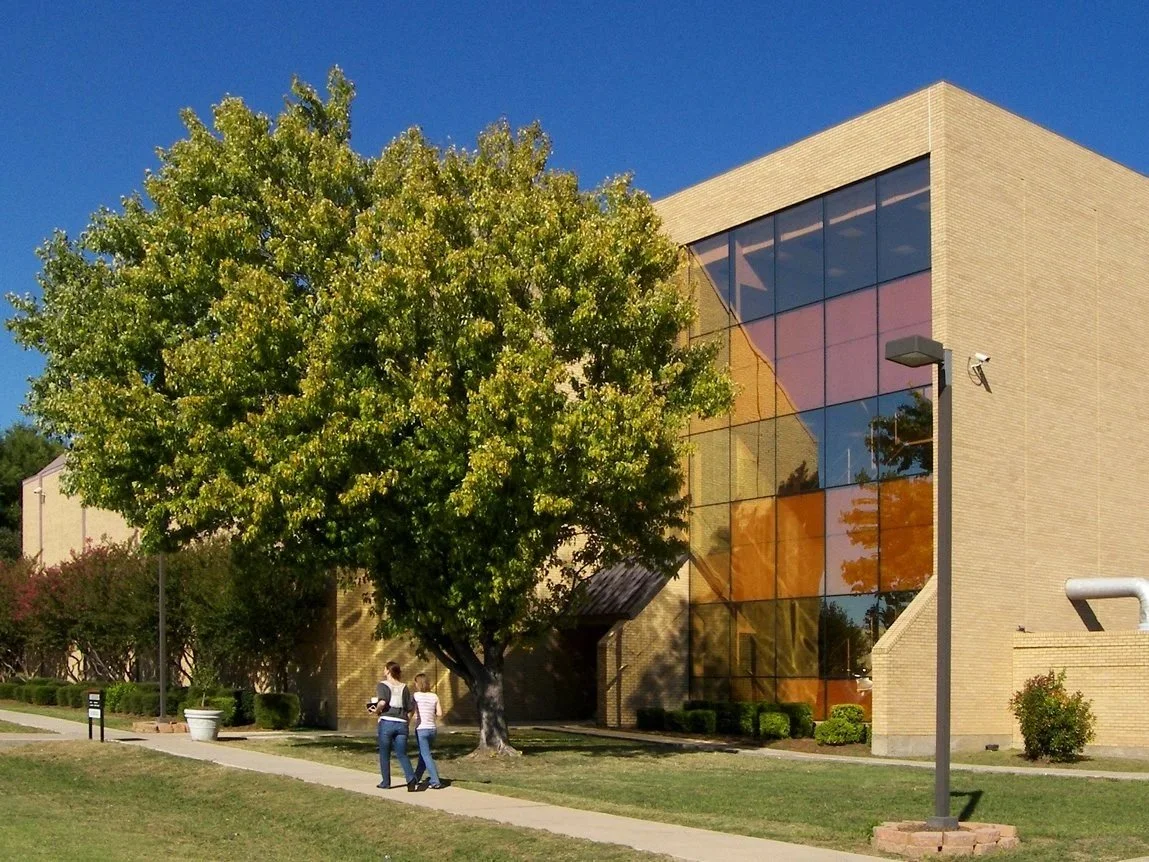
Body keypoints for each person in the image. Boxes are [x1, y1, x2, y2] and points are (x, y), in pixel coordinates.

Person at [371, 661, 416, 790]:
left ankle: (386, 782)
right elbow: (410, 708)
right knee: (402, 753)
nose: (383, 671)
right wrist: (407, 721)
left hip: (387, 721)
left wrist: (376, 711)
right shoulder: (404, 687)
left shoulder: (383, 685)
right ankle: (411, 779)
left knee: (385, 753)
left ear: (388, 671)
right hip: (402, 723)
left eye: (384, 669)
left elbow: (383, 702)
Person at [410, 672, 444, 790]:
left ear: (418, 683)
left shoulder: (416, 696)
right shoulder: (434, 696)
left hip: (421, 729)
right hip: (432, 729)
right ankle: (416, 778)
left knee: (426, 755)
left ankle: (435, 780)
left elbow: (413, 712)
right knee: (423, 755)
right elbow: (439, 713)